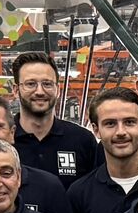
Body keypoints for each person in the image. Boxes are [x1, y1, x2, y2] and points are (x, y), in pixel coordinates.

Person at [68, 87, 138, 213]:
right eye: (110, 123)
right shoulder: (79, 194)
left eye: (129, 122)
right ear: (96, 130)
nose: (120, 132)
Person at [8, 49, 99, 182]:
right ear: (16, 90)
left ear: (58, 90)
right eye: (30, 84)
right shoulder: (4, 141)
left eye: (47, 84)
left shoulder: (83, 140)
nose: (40, 91)